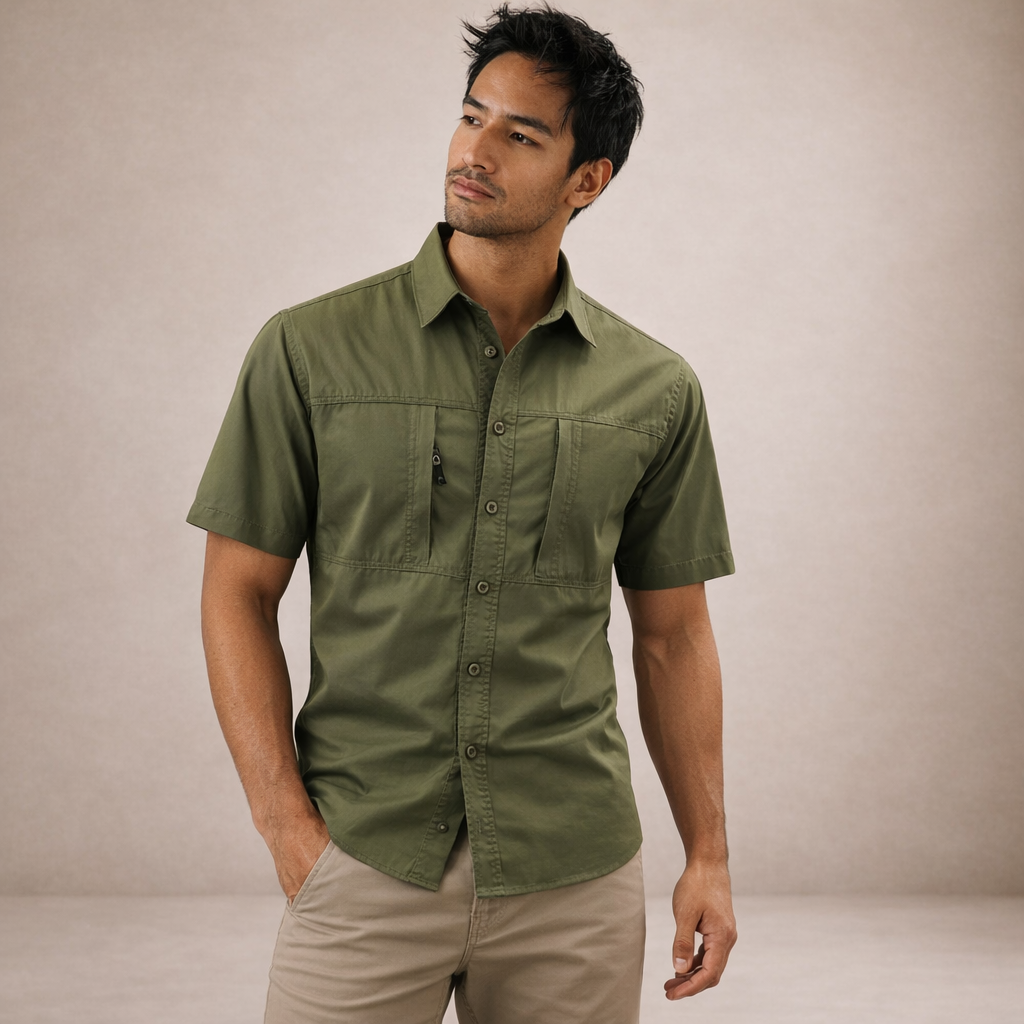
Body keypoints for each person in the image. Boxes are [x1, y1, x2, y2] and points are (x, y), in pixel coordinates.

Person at [187, 6, 737, 1022]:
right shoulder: (308, 351)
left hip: (573, 877)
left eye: (520, 135)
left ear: (587, 180)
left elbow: (674, 635)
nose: (473, 152)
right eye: (471, 116)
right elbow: (237, 593)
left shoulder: (655, 390)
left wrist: (708, 852)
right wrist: (286, 828)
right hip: (365, 855)